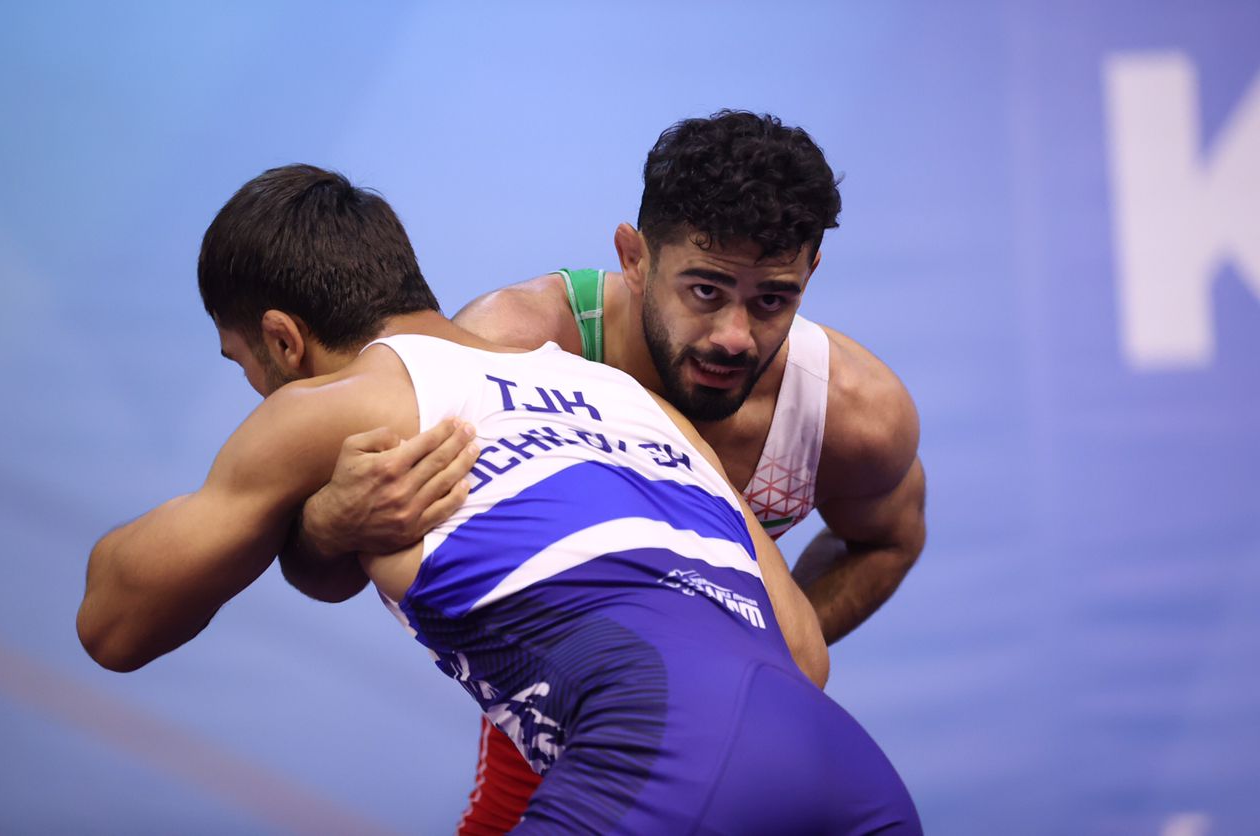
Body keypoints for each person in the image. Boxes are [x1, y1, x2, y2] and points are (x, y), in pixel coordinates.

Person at [76, 164, 921, 833]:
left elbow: (113, 626)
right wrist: (327, 525)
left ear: (282, 339)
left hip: (659, 745)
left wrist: (312, 515)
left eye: (244, 366)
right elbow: (802, 651)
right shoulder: (630, 397)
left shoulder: (341, 404)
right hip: (845, 771)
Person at [292, 110, 928, 833]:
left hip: (737, 716)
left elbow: (887, 539)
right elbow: (362, 549)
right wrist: (325, 523)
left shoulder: (854, 412)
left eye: (772, 300)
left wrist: (755, 655)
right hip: (565, 695)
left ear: (810, 272)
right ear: (634, 257)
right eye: (706, 291)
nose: (734, 336)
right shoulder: (513, 342)